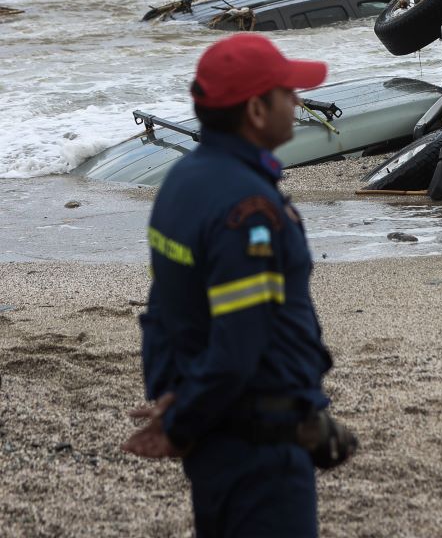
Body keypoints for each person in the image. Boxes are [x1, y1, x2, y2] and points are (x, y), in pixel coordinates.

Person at [122, 33, 357, 537]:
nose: (296, 102)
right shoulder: (250, 210)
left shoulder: (182, 182)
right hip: (258, 444)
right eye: (286, 93)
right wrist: (180, 425)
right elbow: (237, 346)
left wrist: (170, 394)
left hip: (219, 437)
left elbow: (161, 311)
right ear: (255, 109)